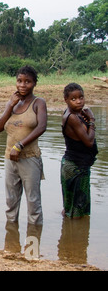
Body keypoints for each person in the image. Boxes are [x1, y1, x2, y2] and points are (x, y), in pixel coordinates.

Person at [0, 66, 47, 225]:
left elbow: (41, 127)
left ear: (34, 84)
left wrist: (19, 145)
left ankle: (34, 241)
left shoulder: (38, 102)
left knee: (33, 202)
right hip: (9, 158)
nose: (23, 85)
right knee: (11, 201)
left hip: (29, 157)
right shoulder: (13, 103)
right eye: (19, 81)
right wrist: (10, 106)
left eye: (28, 82)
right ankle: (11, 235)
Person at [61, 83, 98, 219]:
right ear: (66, 100)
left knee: (71, 206)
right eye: (74, 99)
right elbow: (88, 142)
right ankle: (75, 238)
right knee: (77, 208)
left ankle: (69, 235)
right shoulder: (72, 117)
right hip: (76, 167)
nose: (79, 101)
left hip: (76, 165)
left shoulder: (77, 114)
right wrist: (92, 120)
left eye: (81, 97)